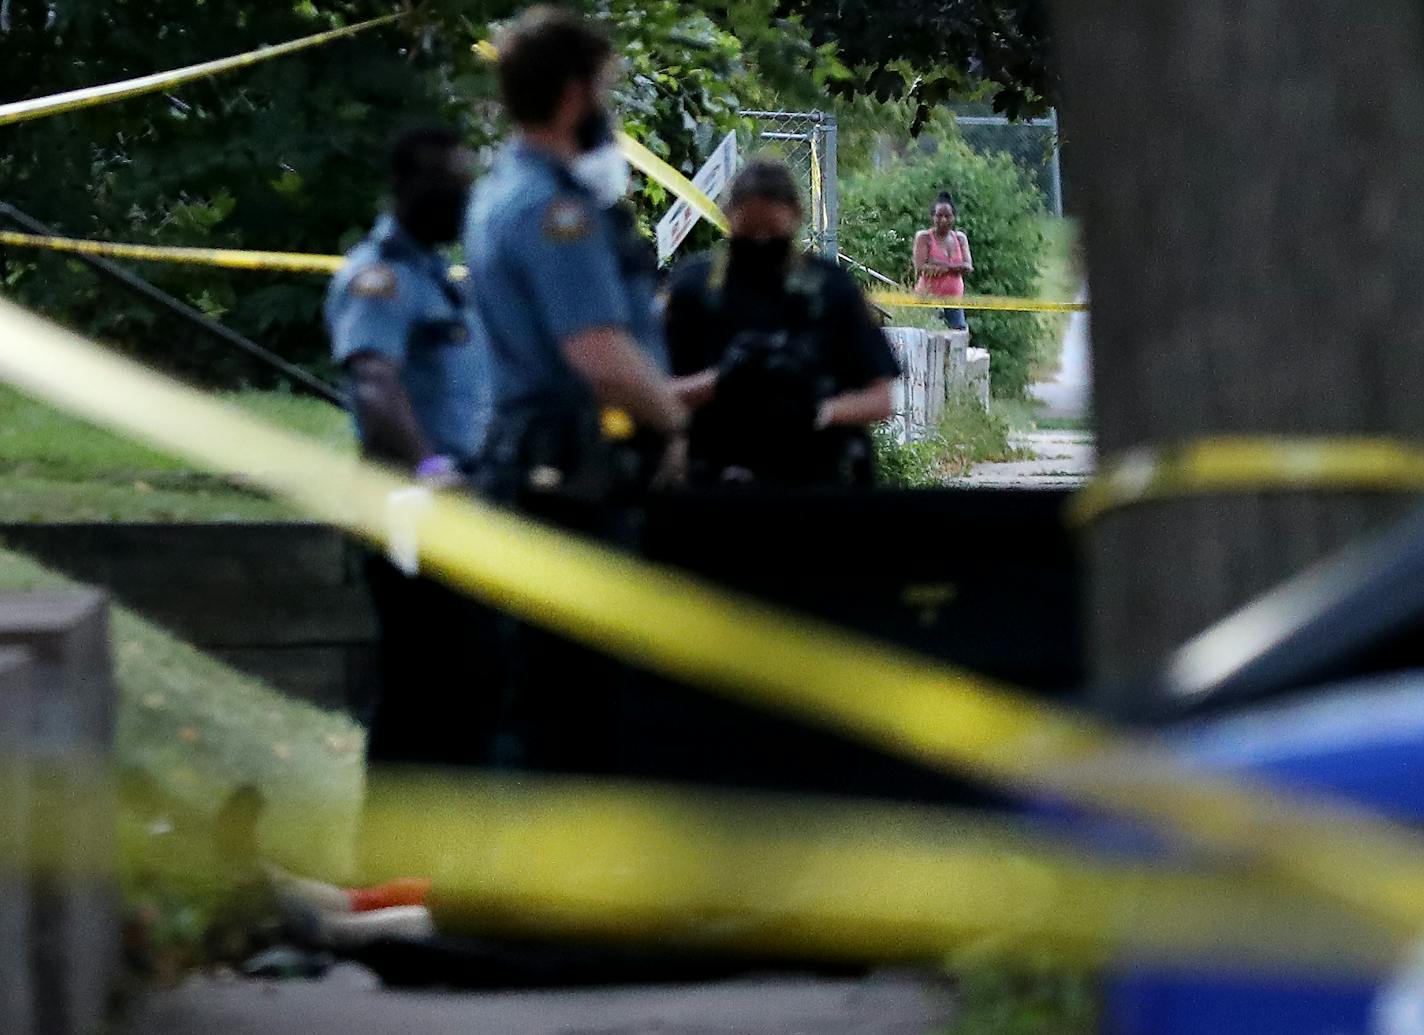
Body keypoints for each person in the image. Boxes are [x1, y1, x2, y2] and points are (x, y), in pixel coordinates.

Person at [463, 7, 689, 772]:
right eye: (604, 88)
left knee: (536, 688)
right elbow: (599, 352)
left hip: (529, 459)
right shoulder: (556, 209)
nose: (608, 106)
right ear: (572, 95)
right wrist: (671, 422)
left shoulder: (500, 191)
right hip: (568, 469)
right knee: (571, 699)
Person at [324, 126, 501, 767]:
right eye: (443, 182)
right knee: (418, 690)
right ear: (404, 186)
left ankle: (445, 857)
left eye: (463, 181)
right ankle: (393, 858)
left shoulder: (438, 276)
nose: (457, 196)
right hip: (411, 505)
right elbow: (374, 385)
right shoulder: (381, 277)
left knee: (463, 689)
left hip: (460, 504)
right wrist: (430, 471)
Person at [662, 159, 901, 486]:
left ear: (796, 219)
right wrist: (722, 382)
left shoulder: (830, 288)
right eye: (749, 236)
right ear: (729, 217)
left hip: (814, 477)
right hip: (718, 479)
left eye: (772, 236)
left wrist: (816, 412)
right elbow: (653, 392)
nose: (761, 247)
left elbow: (880, 399)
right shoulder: (697, 288)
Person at [913, 191, 974, 332]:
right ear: (932, 217)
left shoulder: (960, 238)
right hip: (928, 300)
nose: (943, 220)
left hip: (954, 301)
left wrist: (939, 266)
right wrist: (955, 268)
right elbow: (921, 267)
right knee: (930, 336)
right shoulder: (924, 238)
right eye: (939, 215)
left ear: (954, 217)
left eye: (948, 216)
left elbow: (968, 267)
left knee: (958, 336)